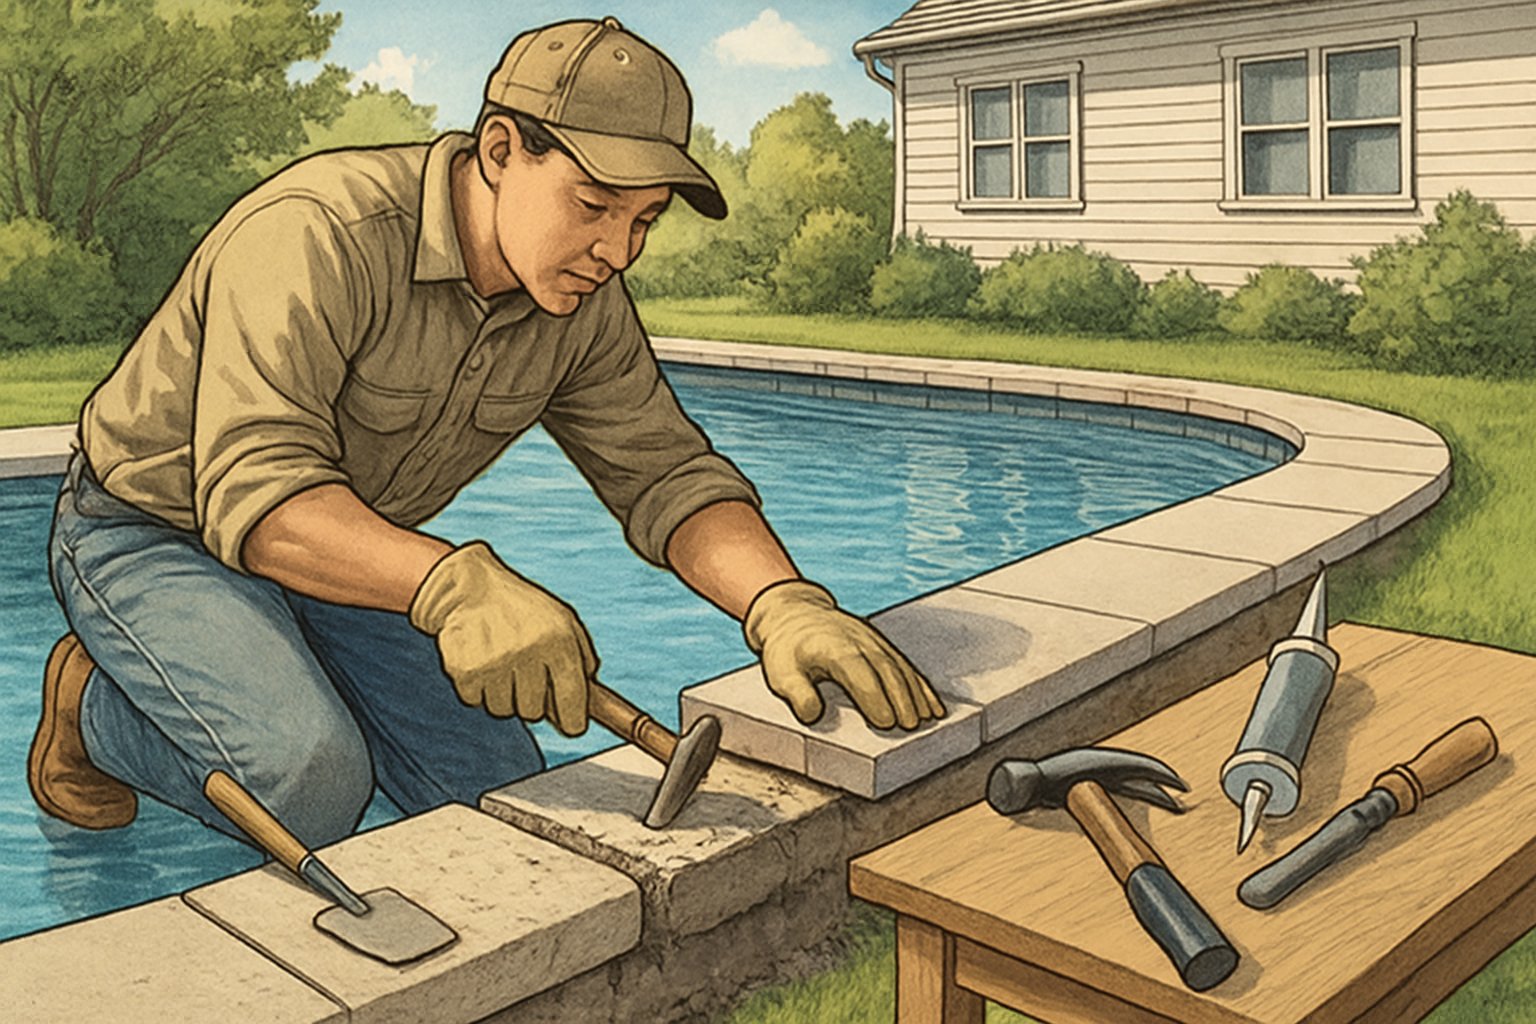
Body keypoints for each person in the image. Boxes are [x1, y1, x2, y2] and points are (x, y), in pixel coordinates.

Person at [30, 16, 943, 845]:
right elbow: (262, 498)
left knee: (493, 790)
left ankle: (279, 667)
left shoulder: (581, 299)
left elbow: (665, 473)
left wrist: (782, 605)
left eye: (645, 221)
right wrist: (454, 588)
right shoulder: (316, 231)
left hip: (349, 556)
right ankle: (94, 712)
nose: (618, 252)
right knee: (308, 781)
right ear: (501, 149)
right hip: (152, 531)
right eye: (594, 207)